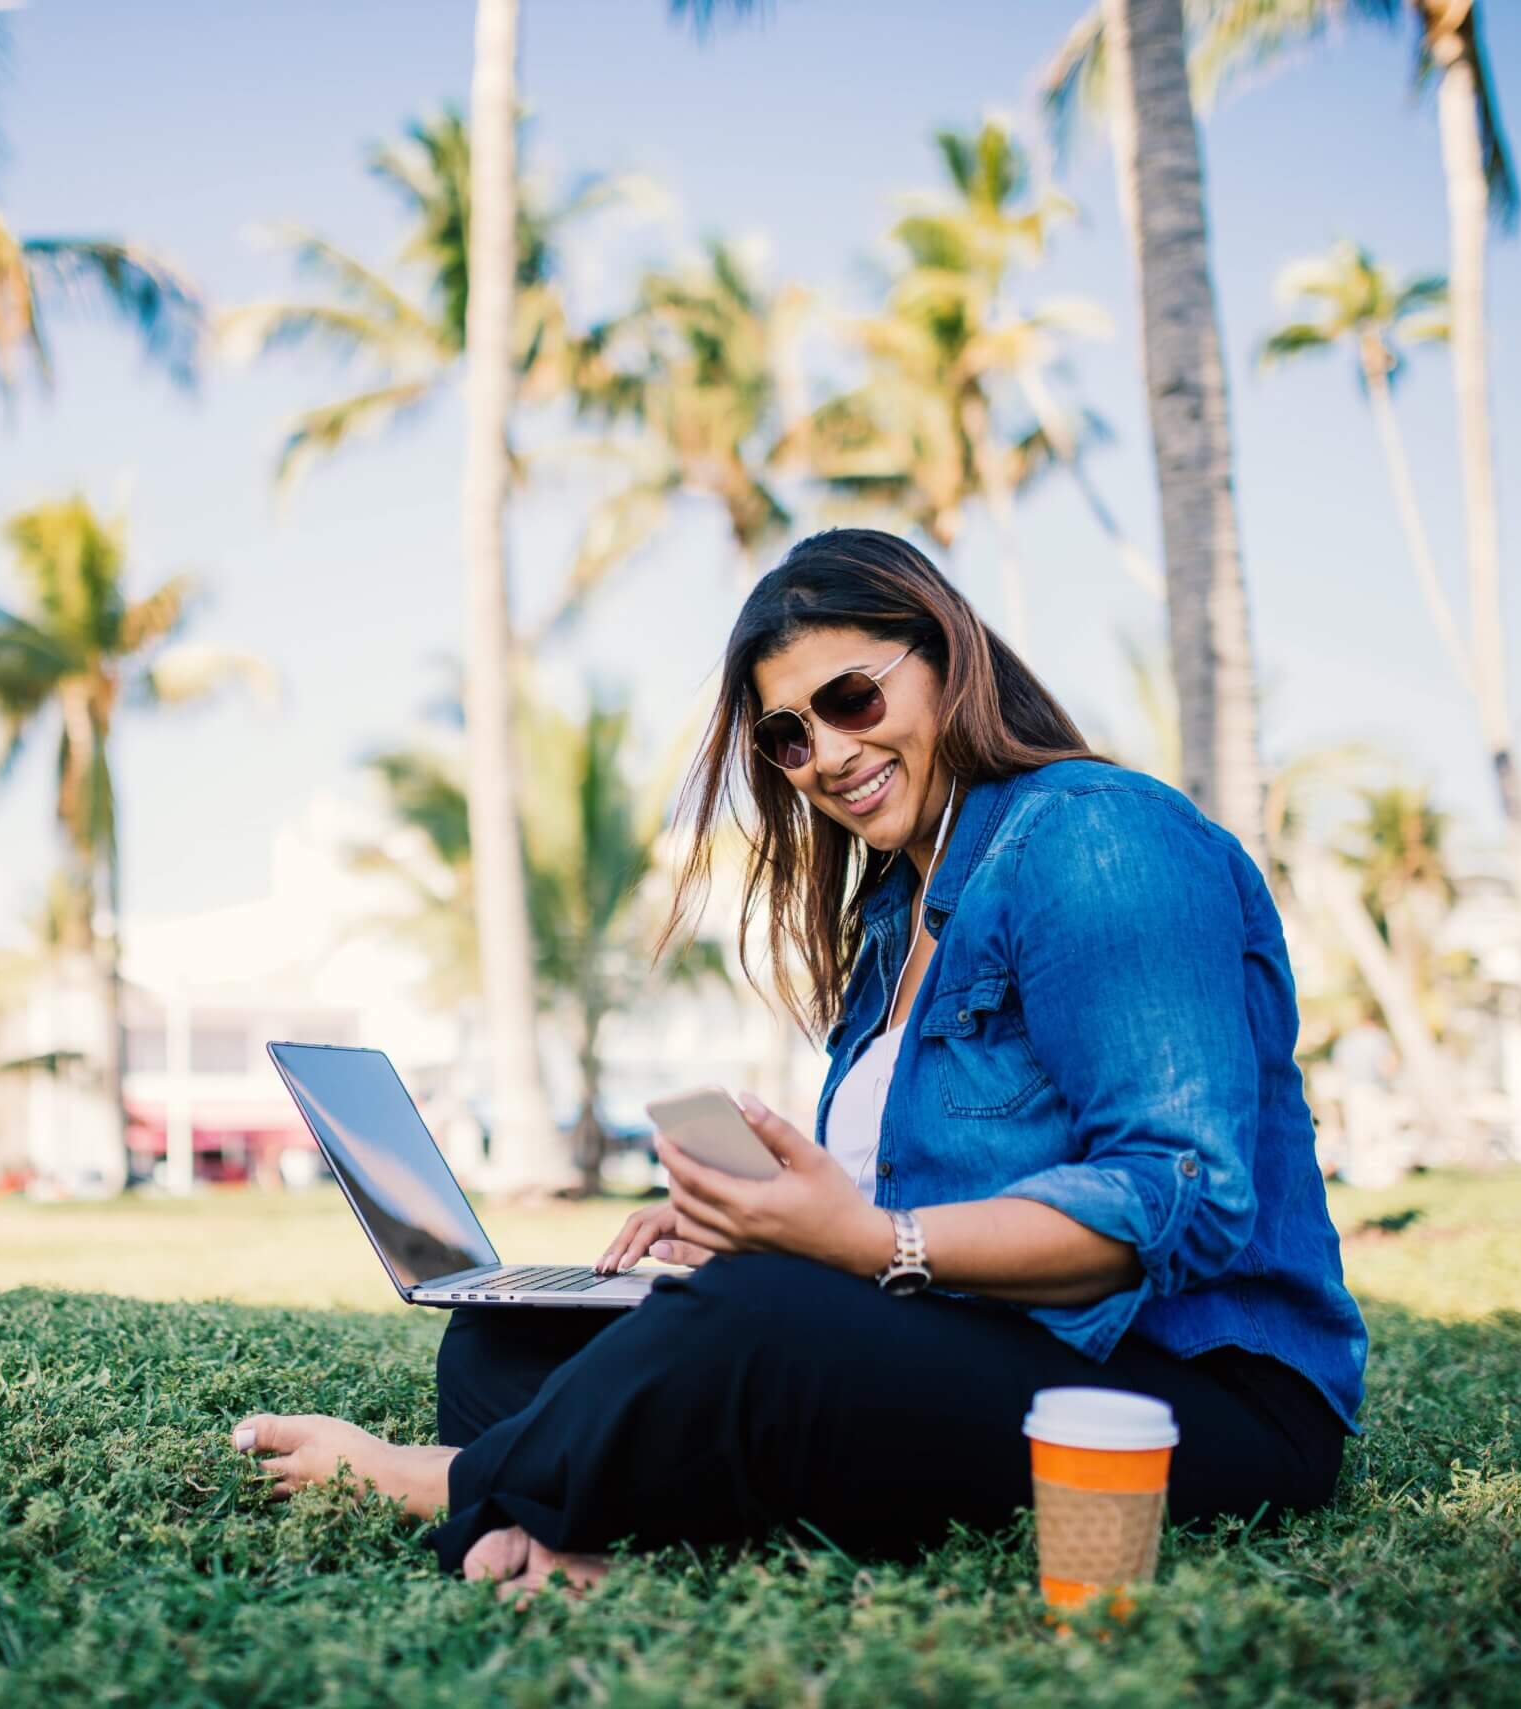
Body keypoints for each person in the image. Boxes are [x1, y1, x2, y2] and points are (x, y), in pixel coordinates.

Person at [233, 528, 1367, 1599]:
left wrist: (864, 1245)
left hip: (1189, 1398)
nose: (825, 753)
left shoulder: (1099, 835)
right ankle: (582, 1528)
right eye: (788, 735)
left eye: (850, 698)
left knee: (755, 1320)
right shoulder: (892, 917)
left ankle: (444, 1482)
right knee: (507, 1335)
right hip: (989, 1351)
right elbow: (905, 1230)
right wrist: (763, 1223)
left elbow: (1176, 1193)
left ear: (947, 656)